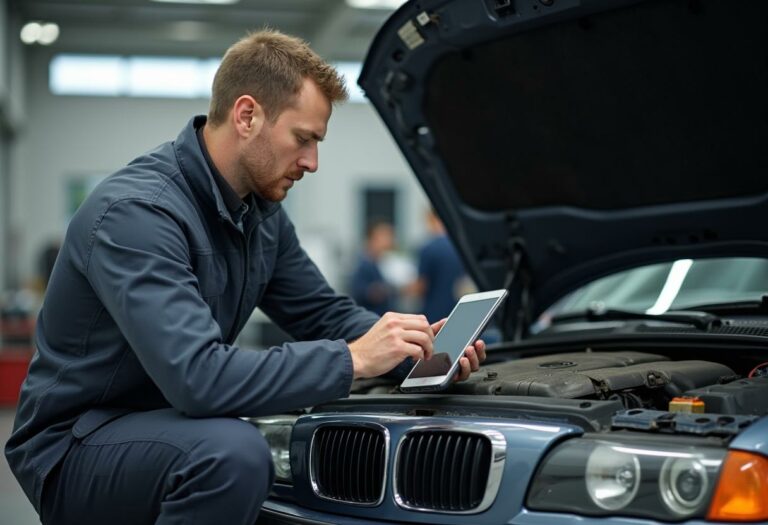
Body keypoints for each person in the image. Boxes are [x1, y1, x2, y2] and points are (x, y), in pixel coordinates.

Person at [4, 30, 487, 525]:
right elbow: (199, 378)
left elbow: (322, 312)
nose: (312, 163)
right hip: (76, 444)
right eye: (303, 139)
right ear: (247, 116)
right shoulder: (138, 214)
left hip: (166, 425)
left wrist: (413, 350)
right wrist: (353, 358)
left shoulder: (261, 215)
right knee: (232, 454)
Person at [409, 209, 469, 322]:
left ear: (431, 218)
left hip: (434, 314)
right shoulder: (463, 247)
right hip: (458, 312)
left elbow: (421, 286)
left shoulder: (429, 249)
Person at [349, 220, 398, 315]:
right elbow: (360, 292)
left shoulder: (382, 262)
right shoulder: (364, 264)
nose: (389, 240)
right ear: (372, 239)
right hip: (370, 319)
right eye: (384, 236)